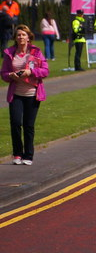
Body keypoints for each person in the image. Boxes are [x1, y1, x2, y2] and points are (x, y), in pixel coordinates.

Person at [2, 25, 49, 165]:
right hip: (16, 94)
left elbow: (45, 71)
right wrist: (10, 75)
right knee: (15, 123)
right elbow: (3, 73)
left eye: (23, 35)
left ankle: (28, 155)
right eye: (18, 35)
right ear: (15, 38)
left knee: (28, 125)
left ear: (29, 37)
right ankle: (17, 154)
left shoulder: (36, 52)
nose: (21, 37)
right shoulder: (10, 53)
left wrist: (31, 72)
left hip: (32, 94)